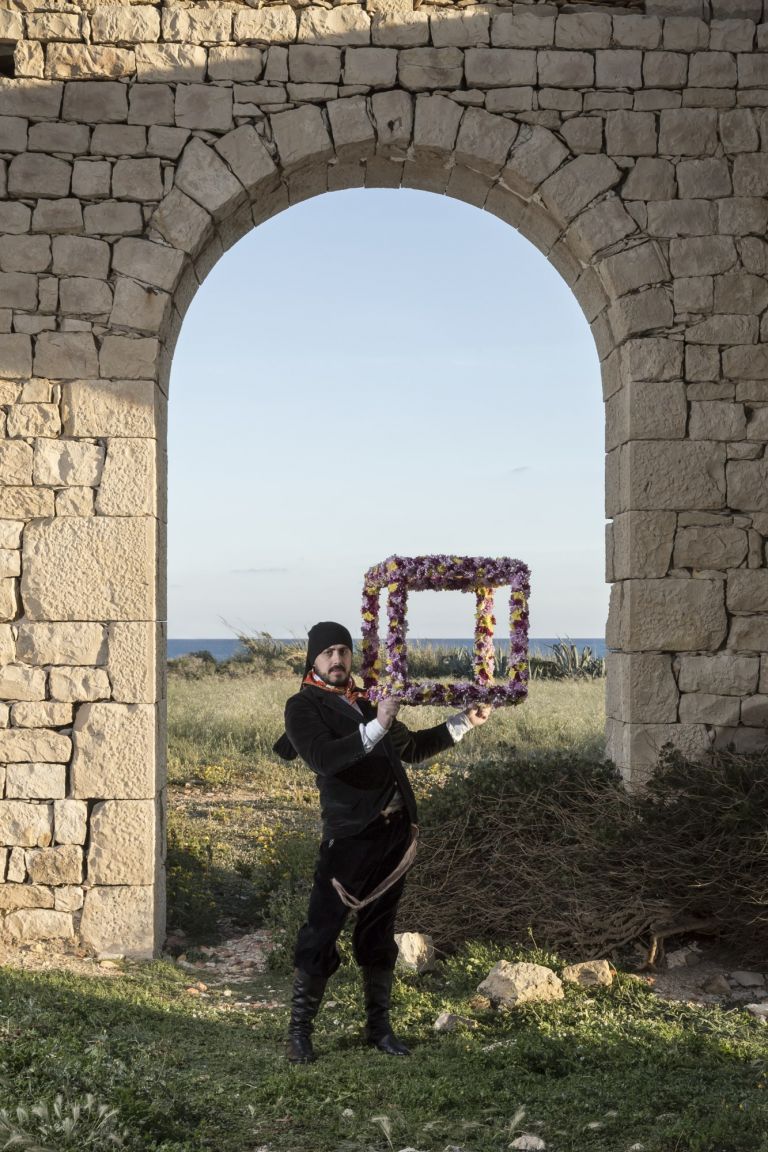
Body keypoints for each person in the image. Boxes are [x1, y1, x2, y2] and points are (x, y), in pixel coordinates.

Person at [273, 620, 491, 1063]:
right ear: (313, 660)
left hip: (392, 839)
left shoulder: (367, 699)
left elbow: (411, 748)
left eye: (343, 651)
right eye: (328, 652)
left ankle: (378, 1029)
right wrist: (378, 725)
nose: (337, 659)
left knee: (378, 933)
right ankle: (299, 1033)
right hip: (349, 838)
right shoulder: (302, 706)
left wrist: (465, 720)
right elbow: (324, 759)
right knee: (321, 931)